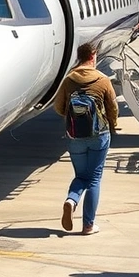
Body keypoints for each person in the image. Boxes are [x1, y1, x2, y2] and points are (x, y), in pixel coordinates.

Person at [52, 43, 119, 235]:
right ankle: (88, 224)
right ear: (93, 56)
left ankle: (71, 200)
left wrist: (70, 116)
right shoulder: (103, 80)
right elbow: (113, 107)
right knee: (95, 179)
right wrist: (112, 124)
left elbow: (58, 107)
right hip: (99, 135)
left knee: (81, 176)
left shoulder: (69, 80)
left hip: (75, 137)